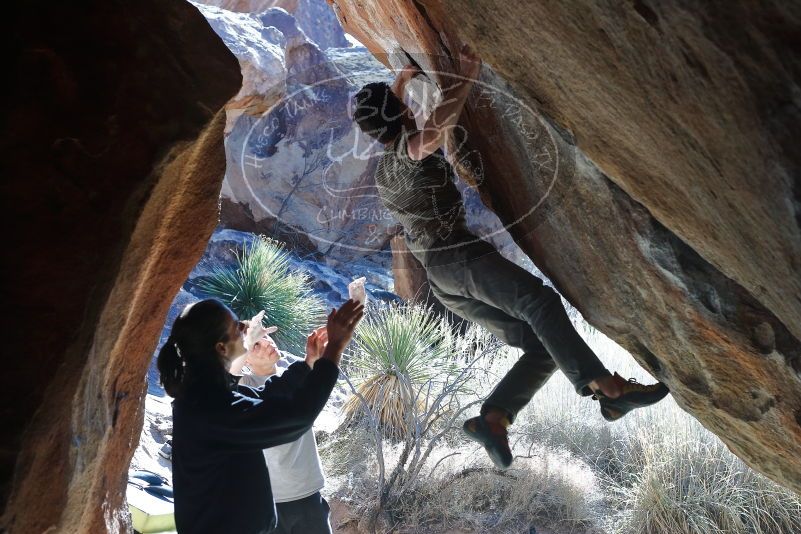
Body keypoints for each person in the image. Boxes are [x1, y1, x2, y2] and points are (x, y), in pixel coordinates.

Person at [351, 46, 669, 469]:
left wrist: (403, 81)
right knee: (539, 303)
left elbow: (400, 124)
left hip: (443, 279)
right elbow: (436, 127)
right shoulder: (411, 149)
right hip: (460, 259)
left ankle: (495, 417)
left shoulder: (383, 166)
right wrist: (465, 75)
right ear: (399, 117)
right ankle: (608, 388)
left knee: (541, 346)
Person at [157, 298, 363, 534]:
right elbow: (297, 417)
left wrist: (309, 364)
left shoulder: (204, 397)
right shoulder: (212, 410)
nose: (244, 328)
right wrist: (334, 348)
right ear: (221, 348)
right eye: (237, 326)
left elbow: (267, 396)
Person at [236, 327, 333, 534]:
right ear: (244, 359)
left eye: (267, 338)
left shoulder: (299, 376)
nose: (267, 344)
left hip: (309, 496)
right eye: (256, 345)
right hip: (267, 503)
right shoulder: (242, 388)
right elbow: (220, 385)